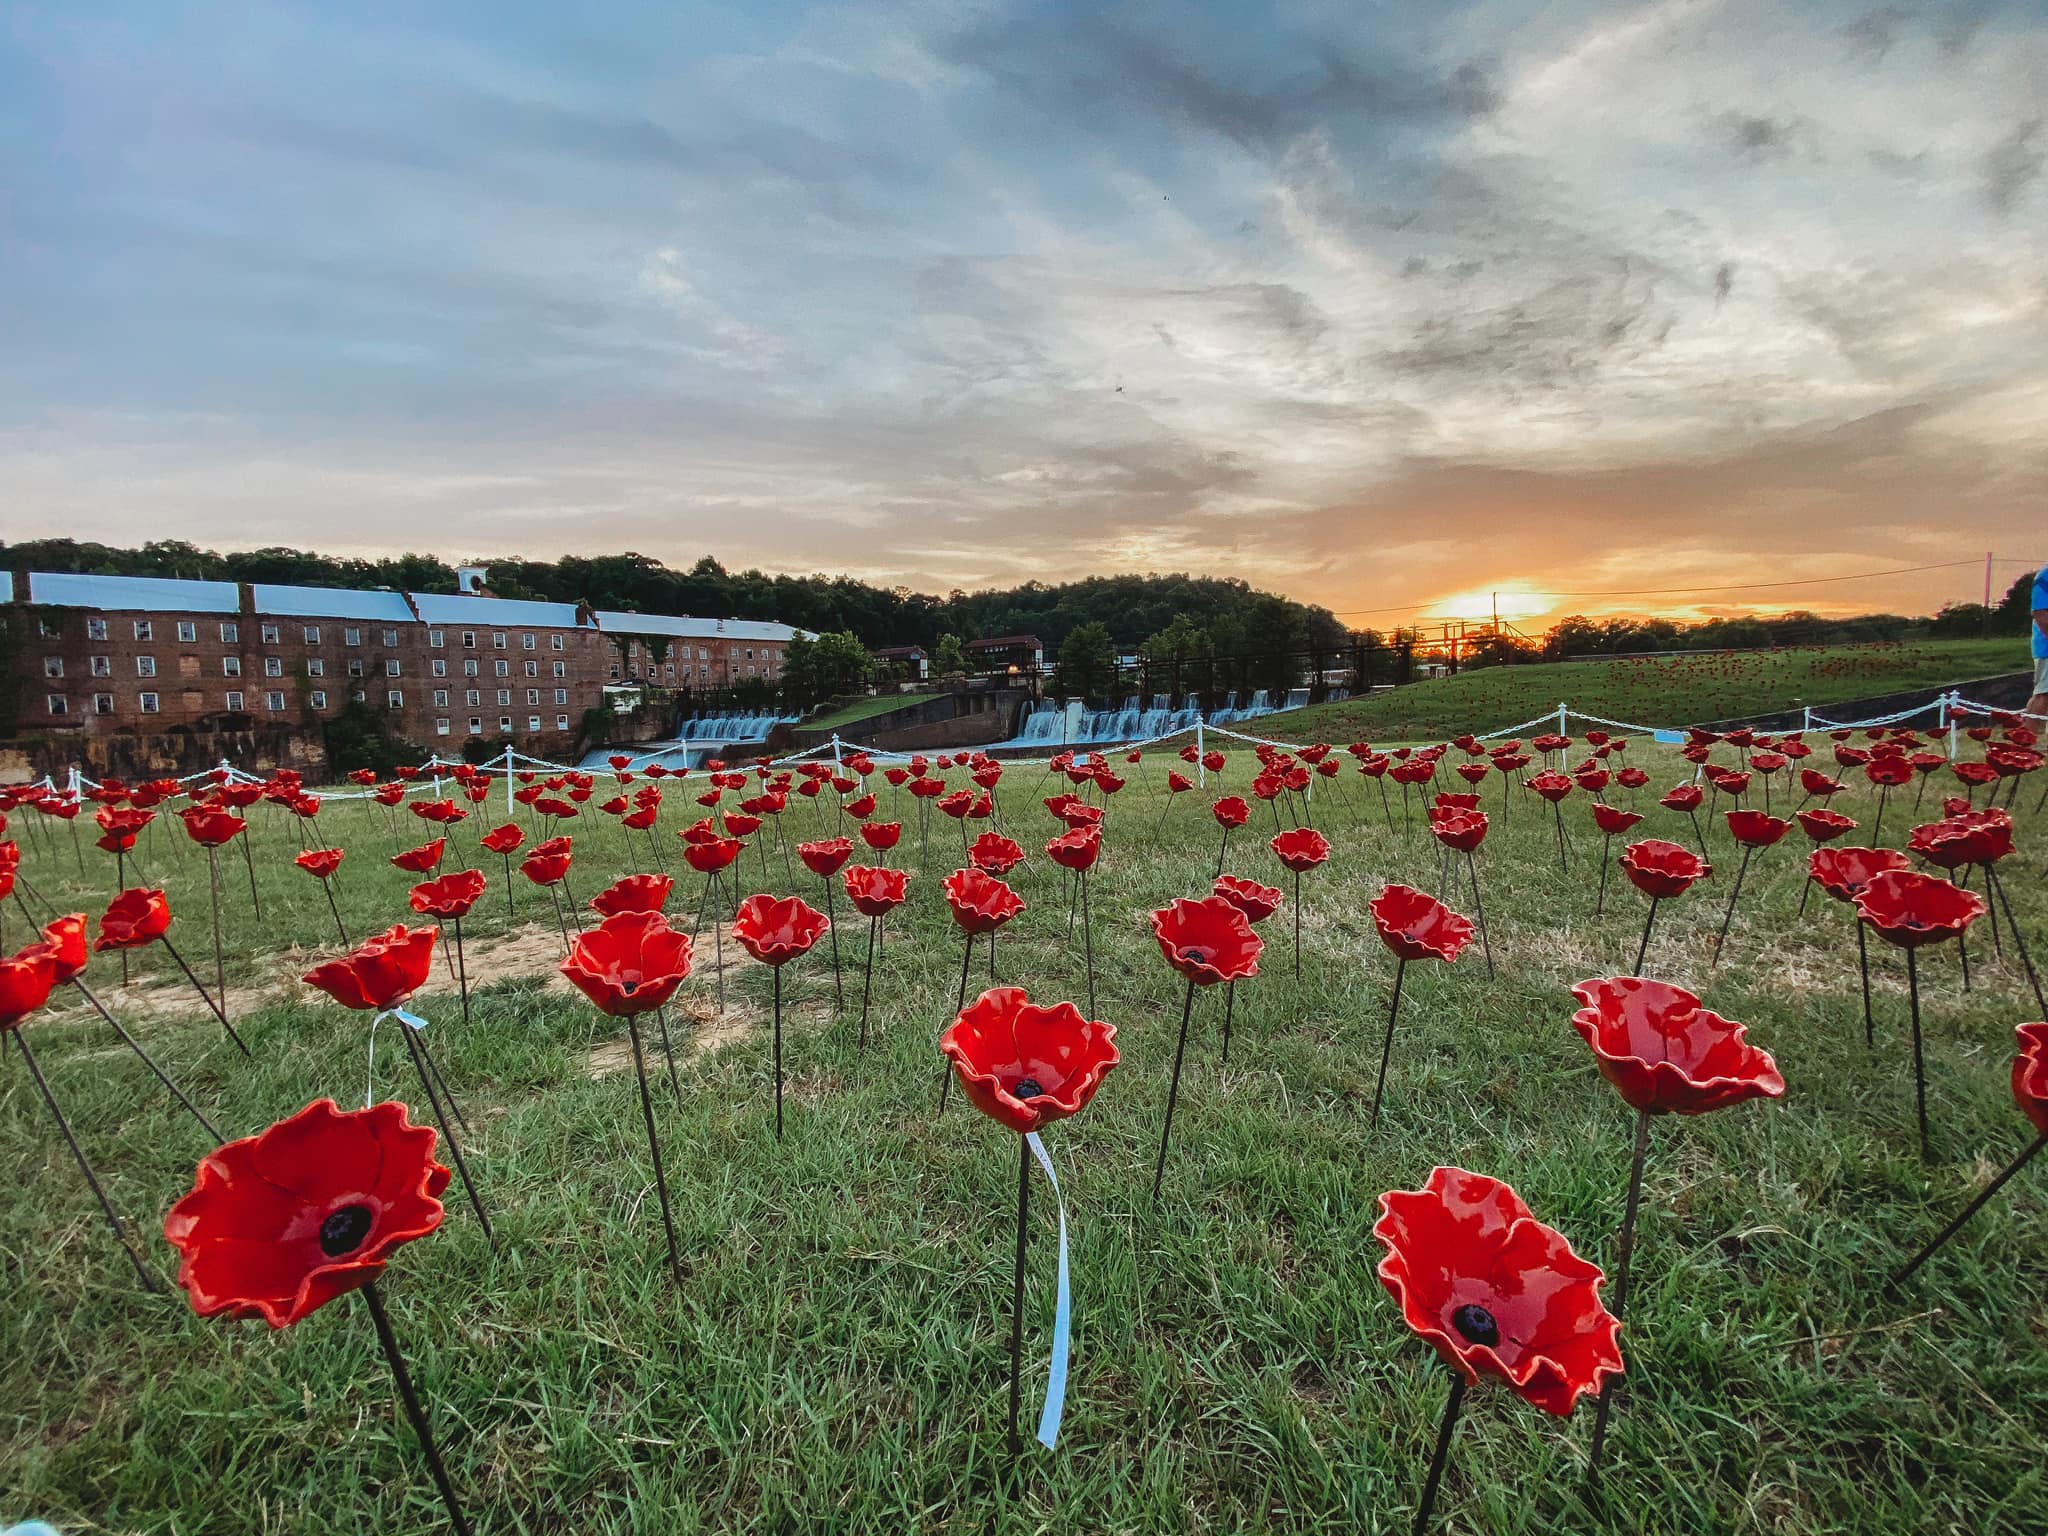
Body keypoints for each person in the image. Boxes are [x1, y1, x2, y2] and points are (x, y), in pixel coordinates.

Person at [2032, 565, 2048, 719]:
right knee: (2044, 694)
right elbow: (2040, 613)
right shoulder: (2045, 576)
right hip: (2046, 650)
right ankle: (2024, 741)